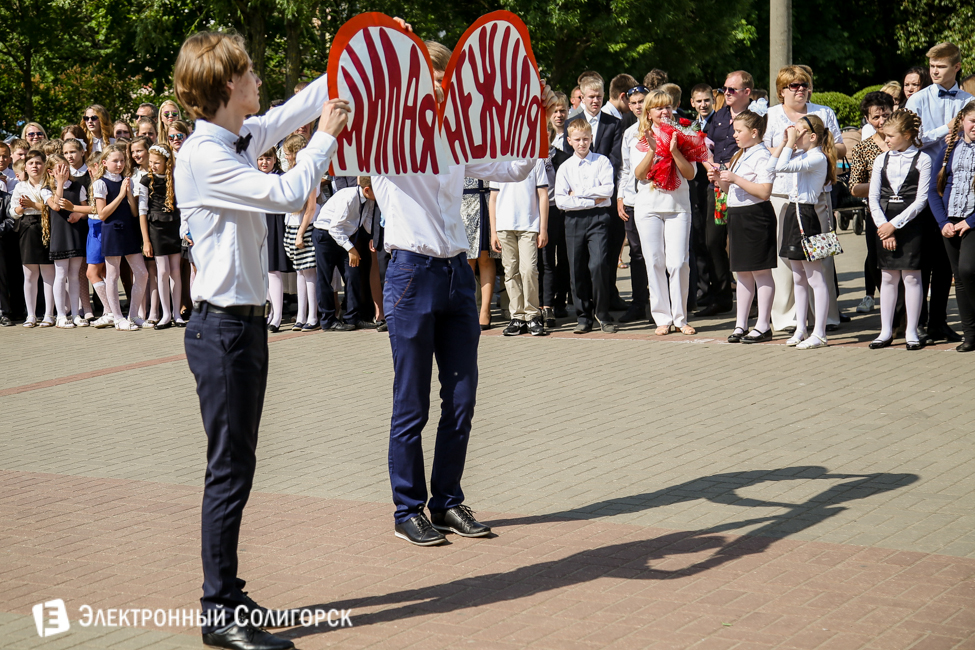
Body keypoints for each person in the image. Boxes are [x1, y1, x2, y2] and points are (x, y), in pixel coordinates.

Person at [173, 28, 346, 650]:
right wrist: (326, 136)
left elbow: (292, 110)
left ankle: (228, 591)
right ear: (226, 84)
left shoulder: (235, 137)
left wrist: (363, 50)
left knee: (238, 466)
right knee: (228, 471)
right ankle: (218, 609)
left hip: (242, 326)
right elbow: (288, 194)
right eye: (248, 73)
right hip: (222, 328)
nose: (258, 80)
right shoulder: (204, 155)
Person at [371, 37, 555, 548]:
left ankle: (447, 501)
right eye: (432, 77)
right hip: (410, 274)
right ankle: (408, 510)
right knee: (411, 403)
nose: (441, 86)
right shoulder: (386, 137)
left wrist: (535, 117)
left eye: (445, 77)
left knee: (461, 400)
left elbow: (514, 168)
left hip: (456, 273)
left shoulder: (455, 136)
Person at [764, 66, 845, 334]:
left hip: (817, 194)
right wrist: (790, 144)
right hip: (782, 193)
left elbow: (840, 146)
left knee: (820, 255)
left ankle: (826, 316)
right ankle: (789, 318)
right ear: (781, 91)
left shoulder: (824, 112)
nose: (800, 89)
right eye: (793, 86)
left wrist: (814, 151)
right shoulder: (771, 115)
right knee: (788, 258)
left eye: (804, 85)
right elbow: (765, 150)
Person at [905, 42, 973, 345]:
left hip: (955, 188)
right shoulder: (917, 99)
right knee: (920, 257)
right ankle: (915, 323)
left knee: (948, 261)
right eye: (932, 66)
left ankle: (939, 322)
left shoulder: (970, 101)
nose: (934, 71)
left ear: (956, 67)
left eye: (941, 66)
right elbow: (909, 139)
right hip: (922, 184)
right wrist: (944, 129)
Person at [630, 89, 702, 336]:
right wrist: (653, 150)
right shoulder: (639, 137)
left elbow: (690, 174)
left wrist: (674, 151)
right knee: (655, 262)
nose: (665, 111)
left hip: (678, 207)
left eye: (668, 107)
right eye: (659, 107)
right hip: (648, 207)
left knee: (679, 263)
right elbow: (639, 174)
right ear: (649, 113)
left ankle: (681, 318)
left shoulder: (685, 135)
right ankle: (662, 318)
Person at [768, 115, 837, 350]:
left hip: (806, 215)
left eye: (799, 132)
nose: (794, 135)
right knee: (797, 275)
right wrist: (783, 143)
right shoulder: (801, 155)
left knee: (815, 277)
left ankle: (820, 333)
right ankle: (801, 328)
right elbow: (771, 168)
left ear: (812, 136)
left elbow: (781, 166)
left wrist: (789, 143)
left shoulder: (817, 157)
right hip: (793, 212)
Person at [866, 110, 930, 350]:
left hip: (911, 224)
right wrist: (884, 226)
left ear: (907, 135)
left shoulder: (923, 159)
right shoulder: (881, 159)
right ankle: (885, 330)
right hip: (883, 222)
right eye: (885, 135)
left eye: (891, 136)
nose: (886, 140)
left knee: (912, 277)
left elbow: (921, 199)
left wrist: (895, 225)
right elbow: (873, 197)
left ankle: (911, 330)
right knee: (888, 276)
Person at [563, 74, 625, 312]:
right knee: (580, 260)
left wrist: (601, 188)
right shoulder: (572, 121)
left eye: (599, 96)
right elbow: (566, 159)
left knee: (607, 252)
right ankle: (584, 303)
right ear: (582, 97)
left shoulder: (613, 123)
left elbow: (616, 159)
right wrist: (585, 193)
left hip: (605, 196)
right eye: (590, 97)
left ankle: (608, 297)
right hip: (579, 204)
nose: (595, 101)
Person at [715, 110, 776, 343]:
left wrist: (735, 178)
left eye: (739, 131)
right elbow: (731, 190)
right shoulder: (740, 154)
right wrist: (719, 179)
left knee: (761, 271)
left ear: (754, 132)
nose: (734, 135)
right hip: (738, 214)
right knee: (742, 272)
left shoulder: (762, 155)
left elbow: (764, 191)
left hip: (756, 216)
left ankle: (763, 324)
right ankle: (741, 324)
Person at [698, 71, 754, 317]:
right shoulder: (719, 116)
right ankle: (721, 296)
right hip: (716, 187)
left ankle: (754, 300)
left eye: (732, 89)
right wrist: (710, 167)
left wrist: (731, 169)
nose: (726, 93)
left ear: (746, 92)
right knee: (713, 241)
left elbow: (758, 150)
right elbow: (704, 146)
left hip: (743, 188)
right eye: (725, 89)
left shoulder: (756, 117)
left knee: (744, 242)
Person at [555, 119, 616, 334]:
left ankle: (603, 313)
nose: (582, 143)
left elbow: (607, 191)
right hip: (573, 221)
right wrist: (592, 198)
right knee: (576, 268)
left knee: (598, 265)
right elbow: (561, 201)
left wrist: (578, 194)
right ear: (569, 141)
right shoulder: (565, 167)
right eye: (578, 140)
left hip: (598, 219)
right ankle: (583, 316)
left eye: (586, 139)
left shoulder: (602, 161)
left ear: (591, 138)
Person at [930, 102, 975, 352]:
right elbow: (932, 190)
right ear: (962, 122)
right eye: (972, 121)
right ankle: (970, 335)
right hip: (950, 221)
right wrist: (943, 222)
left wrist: (970, 221)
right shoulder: (950, 148)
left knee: (968, 270)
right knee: (959, 278)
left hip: (971, 221)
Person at [91, 143, 148, 330]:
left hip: (128, 230)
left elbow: (134, 212)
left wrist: (129, 194)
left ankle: (133, 315)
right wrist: (121, 194)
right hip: (112, 231)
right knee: (113, 275)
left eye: (122, 160)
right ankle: (117, 317)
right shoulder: (100, 183)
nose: (119, 164)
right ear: (104, 162)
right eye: (115, 161)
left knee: (142, 273)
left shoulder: (126, 180)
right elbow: (102, 214)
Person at [490, 158, 549, 336]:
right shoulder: (498, 160)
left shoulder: (535, 160)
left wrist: (543, 229)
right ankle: (517, 316)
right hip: (504, 226)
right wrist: (493, 231)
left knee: (529, 270)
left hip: (529, 225)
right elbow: (493, 198)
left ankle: (533, 315)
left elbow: (543, 194)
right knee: (511, 271)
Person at [850, 92, 895, 315]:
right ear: (867, 119)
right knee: (877, 260)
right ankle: (889, 309)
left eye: (886, 115)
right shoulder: (863, 148)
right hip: (876, 213)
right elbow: (854, 187)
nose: (881, 121)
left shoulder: (907, 143)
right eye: (876, 117)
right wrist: (881, 184)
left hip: (907, 212)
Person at [312, 177, 374, 331]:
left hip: (344, 237)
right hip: (326, 235)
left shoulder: (369, 200)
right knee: (325, 278)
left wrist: (374, 237)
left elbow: (367, 221)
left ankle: (353, 318)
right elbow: (334, 228)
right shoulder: (349, 197)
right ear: (367, 190)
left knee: (353, 275)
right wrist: (351, 249)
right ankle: (328, 321)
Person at [139, 143, 183, 329]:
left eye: (157, 162)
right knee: (163, 271)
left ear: (167, 162)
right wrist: (146, 241)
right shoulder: (146, 181)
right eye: (151, 162)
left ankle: (176, 314)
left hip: (174, 226)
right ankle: (165, 314)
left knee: (176, 271)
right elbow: (142, 212)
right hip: (156, 229)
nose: (153, 166)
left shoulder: (176, 178)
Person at [9, 149, 55, 328]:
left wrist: (33, 205)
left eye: (38, 163)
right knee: (29, 274)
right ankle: (31, 315)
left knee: (48, 273)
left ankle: (49, 314)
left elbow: (54, 208)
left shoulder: (50, 184)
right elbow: (13, 212)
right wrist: (21, 208)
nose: (35, 166)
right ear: (25, 167)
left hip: (47, 226)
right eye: (31, 163)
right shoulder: (20, 186)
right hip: (27, 227)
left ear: (44, 165)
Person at [617, 85, 651, 324]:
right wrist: (621, 196)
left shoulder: (660, 129)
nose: (639, 106)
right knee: (637, 254)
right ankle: (639, 303)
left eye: (642, 101)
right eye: (635, 102)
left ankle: (660, 305)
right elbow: (626, 168)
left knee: (656, 254)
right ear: (629, 106)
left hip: (654, 200)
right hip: (632, 201)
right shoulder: (629, 133)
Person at [45, 155, 91, 328]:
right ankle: (61, 316)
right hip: (60, 236)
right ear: (50, 172)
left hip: (75, 233)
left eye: (65, 167)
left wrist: (79, 214)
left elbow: (86, 210)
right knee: (61, 274)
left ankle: (76, 314)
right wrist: (59, 184)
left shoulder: (78, 187)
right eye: (59, 168)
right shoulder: (47, 189)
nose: (63, 171)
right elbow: (56, 206)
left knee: (74, 275)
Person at [279, 133, 319, 332]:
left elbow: (311, 207)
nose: (286, 157)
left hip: (305, 226)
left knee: (309, 272)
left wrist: (300, 233)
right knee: (300, 272)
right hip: (292, 224)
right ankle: (301, 316)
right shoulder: (293, 173)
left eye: (287, 153)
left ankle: (313, 316)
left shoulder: (310, 173)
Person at [256, 147, 293, 332]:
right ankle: (270, 312)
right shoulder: (253, 176)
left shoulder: (280, 177)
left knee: (272, 270)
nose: (264, 162)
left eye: (268, 159)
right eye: (261, 159)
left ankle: (277, 315)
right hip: (257, 223)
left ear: (275, 160)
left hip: (274, 222)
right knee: (262, 271)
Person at [461, 175, 499, 329]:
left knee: (485, 257)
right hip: (462, 202)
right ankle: (467, 310)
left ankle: (485, 310)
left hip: (487, 198)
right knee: (466, 259)